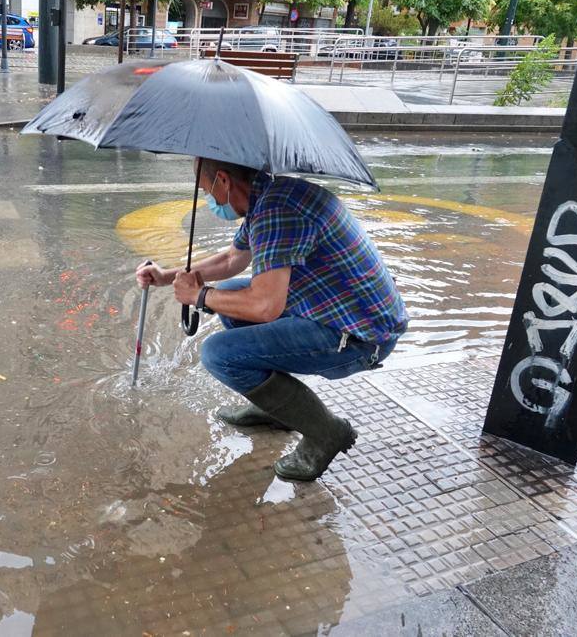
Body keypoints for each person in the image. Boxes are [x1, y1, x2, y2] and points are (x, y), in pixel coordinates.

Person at [136, 159, 408, 481]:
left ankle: (326, 432)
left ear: (223, 181)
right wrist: (168, 276)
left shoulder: (276, 212)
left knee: (219, 354)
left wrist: (199, 297)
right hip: (340, 309)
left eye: (205, 190)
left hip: (360, 337)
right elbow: (232, 259)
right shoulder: (271, 196)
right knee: (231, 297)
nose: (209, 200)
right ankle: (276, 409)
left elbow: (265, 306)